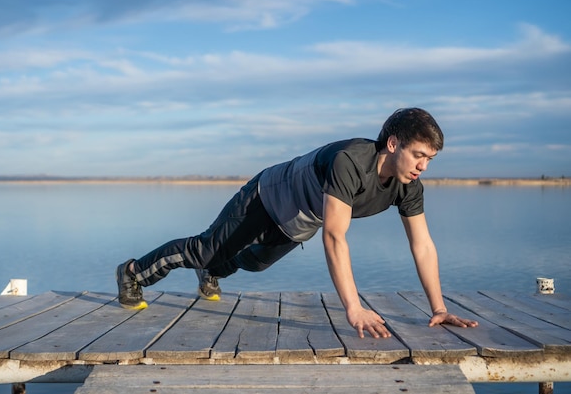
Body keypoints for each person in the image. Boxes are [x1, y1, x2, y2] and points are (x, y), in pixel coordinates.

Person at [115, 107, 479, 338]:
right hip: (266, 195)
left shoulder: (408, 186)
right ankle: (133, 272)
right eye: (419, 155)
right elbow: (335, 237)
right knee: (206, 248)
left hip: (299, 219)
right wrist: (353, 308)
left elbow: (423, 245)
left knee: (254, 263)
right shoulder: (350, 161)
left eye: (430, 159)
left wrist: (439, 308)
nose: (423, 166)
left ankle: (211, 271)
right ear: (393, 144)